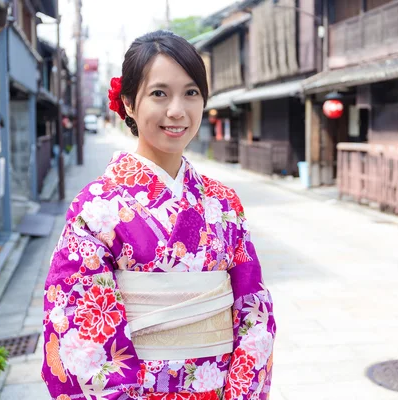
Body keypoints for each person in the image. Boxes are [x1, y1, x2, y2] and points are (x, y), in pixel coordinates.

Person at [42, 30, 275, 400]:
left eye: (191, 93)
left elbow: (254, 313)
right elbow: (80, 333)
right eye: (159, 93)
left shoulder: (224, 203)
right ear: (129, 103)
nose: (177, 111)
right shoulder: (96, 208)